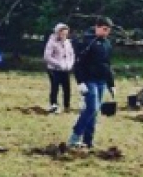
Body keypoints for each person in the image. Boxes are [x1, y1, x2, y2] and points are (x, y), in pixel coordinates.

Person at [68, 17, 115, 148]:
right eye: (104, 29)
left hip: (101, 81)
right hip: (89, 80)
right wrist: (80, 82)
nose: (106, 33)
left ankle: (88, 140)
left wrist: (111, 83)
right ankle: (75, 135)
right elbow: (79, 64)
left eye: (108, 30)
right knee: (91, 108)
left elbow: (107, 65)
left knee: (95, 111)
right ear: (97, 27)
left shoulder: (107, 44)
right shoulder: (87, 42)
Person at [43, 23, 75, 113]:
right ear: (58, 33)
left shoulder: (68, 42)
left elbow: (71, 54)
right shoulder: (52, 42)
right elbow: (47, 56)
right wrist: (58, 64)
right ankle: (54, 105)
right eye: (62, 33)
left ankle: (67, 106)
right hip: (54, 69)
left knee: (67, 88)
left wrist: (70, 64)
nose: (64, 36)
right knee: (55, 87)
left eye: (66, 34)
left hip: (66, 69)